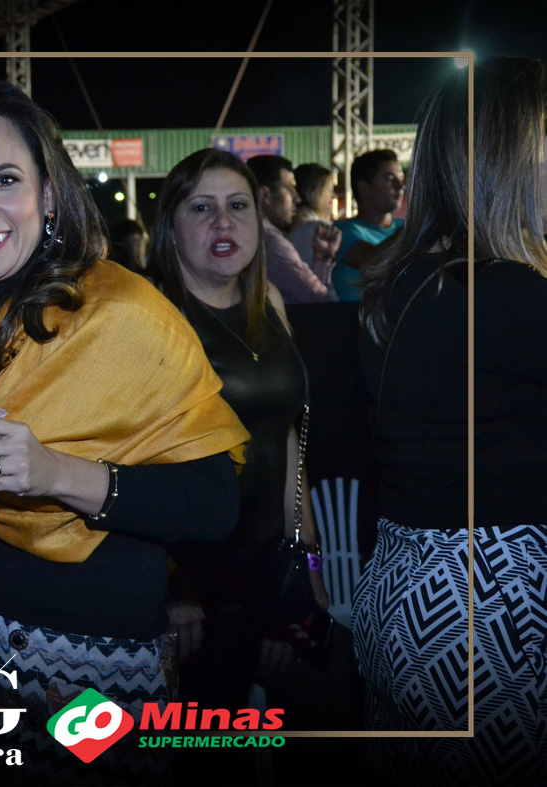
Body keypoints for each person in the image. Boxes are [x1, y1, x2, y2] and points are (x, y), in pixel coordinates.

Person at [0, 79, 248, 781]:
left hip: (95, 666)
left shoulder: (121, 311)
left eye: (5, 179)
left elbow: (216, 507)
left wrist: (55, 473)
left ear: (48, 194)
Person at [354, 56, 547, 787]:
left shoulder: (402, 281)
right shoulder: (509, 297)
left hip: (408, 587)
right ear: (512, 158)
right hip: (491, 608)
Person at [148, 148, 355, 739]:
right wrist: (170, 585)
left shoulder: (271, 305)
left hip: (268, 568)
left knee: (331, 710)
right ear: (171, 225)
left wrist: (308, 566)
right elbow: (133, 460)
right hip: (196, 583)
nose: (223, 222)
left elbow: (285, 439)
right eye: (201, 207)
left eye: (238, 206)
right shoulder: (153, 318)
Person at [246, 154, 340, 304]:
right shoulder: (272, 244)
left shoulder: (249, 235)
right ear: (265, 194)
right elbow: (317, 298)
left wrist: (322, 257)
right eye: (290, 189)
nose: (297, 198)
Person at [332, 149, 405, 301]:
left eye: (401, 179)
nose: (400, 186)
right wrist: (417, 225)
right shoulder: (342, 231)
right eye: (389, 179)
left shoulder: (403, 227)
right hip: (358, 315)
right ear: (364, 188)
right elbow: (372, 262)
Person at [288, 163, 339, 274]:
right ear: (313, 192)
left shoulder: (293, 225)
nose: (334, 196)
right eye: (329, 190)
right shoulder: (317, 229)